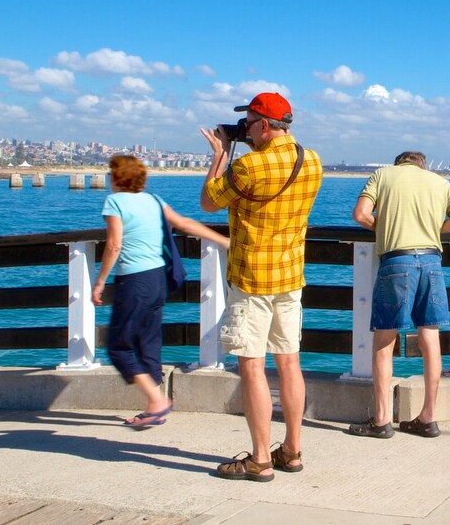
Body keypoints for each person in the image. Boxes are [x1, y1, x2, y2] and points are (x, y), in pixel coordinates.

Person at [199, 92, 322, 482]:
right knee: (289, 363)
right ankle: (292, 450)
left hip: (252, 278)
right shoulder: (313, 161)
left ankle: (259, 460)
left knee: (252, 368)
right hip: (290, 276)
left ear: (265, 126)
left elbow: (208, 202)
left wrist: (221, 153)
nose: (245, 129)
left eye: (249, 123)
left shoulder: (249, 166)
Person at [92, 155, 229, 429]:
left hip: (134, 280)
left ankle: (157, 401)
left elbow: (114, 245)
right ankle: (153, 407)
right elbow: (186, 224)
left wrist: (100, 281)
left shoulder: (115, 202)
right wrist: (226, 241)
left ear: (116, 177)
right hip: (158, 280)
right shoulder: (154, 200)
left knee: (119, 346)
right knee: (148, 340)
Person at [349, 151, 450, 439]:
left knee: (384, 339)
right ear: (422, 166)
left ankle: (381, 420)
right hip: (431, 262)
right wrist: (434, 229)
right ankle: (428, 417)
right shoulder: (439, 181)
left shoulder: (382, 175)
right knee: (430, 337)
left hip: (397, 260)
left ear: (398, 164)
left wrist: (385, 227)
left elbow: (360, 215)